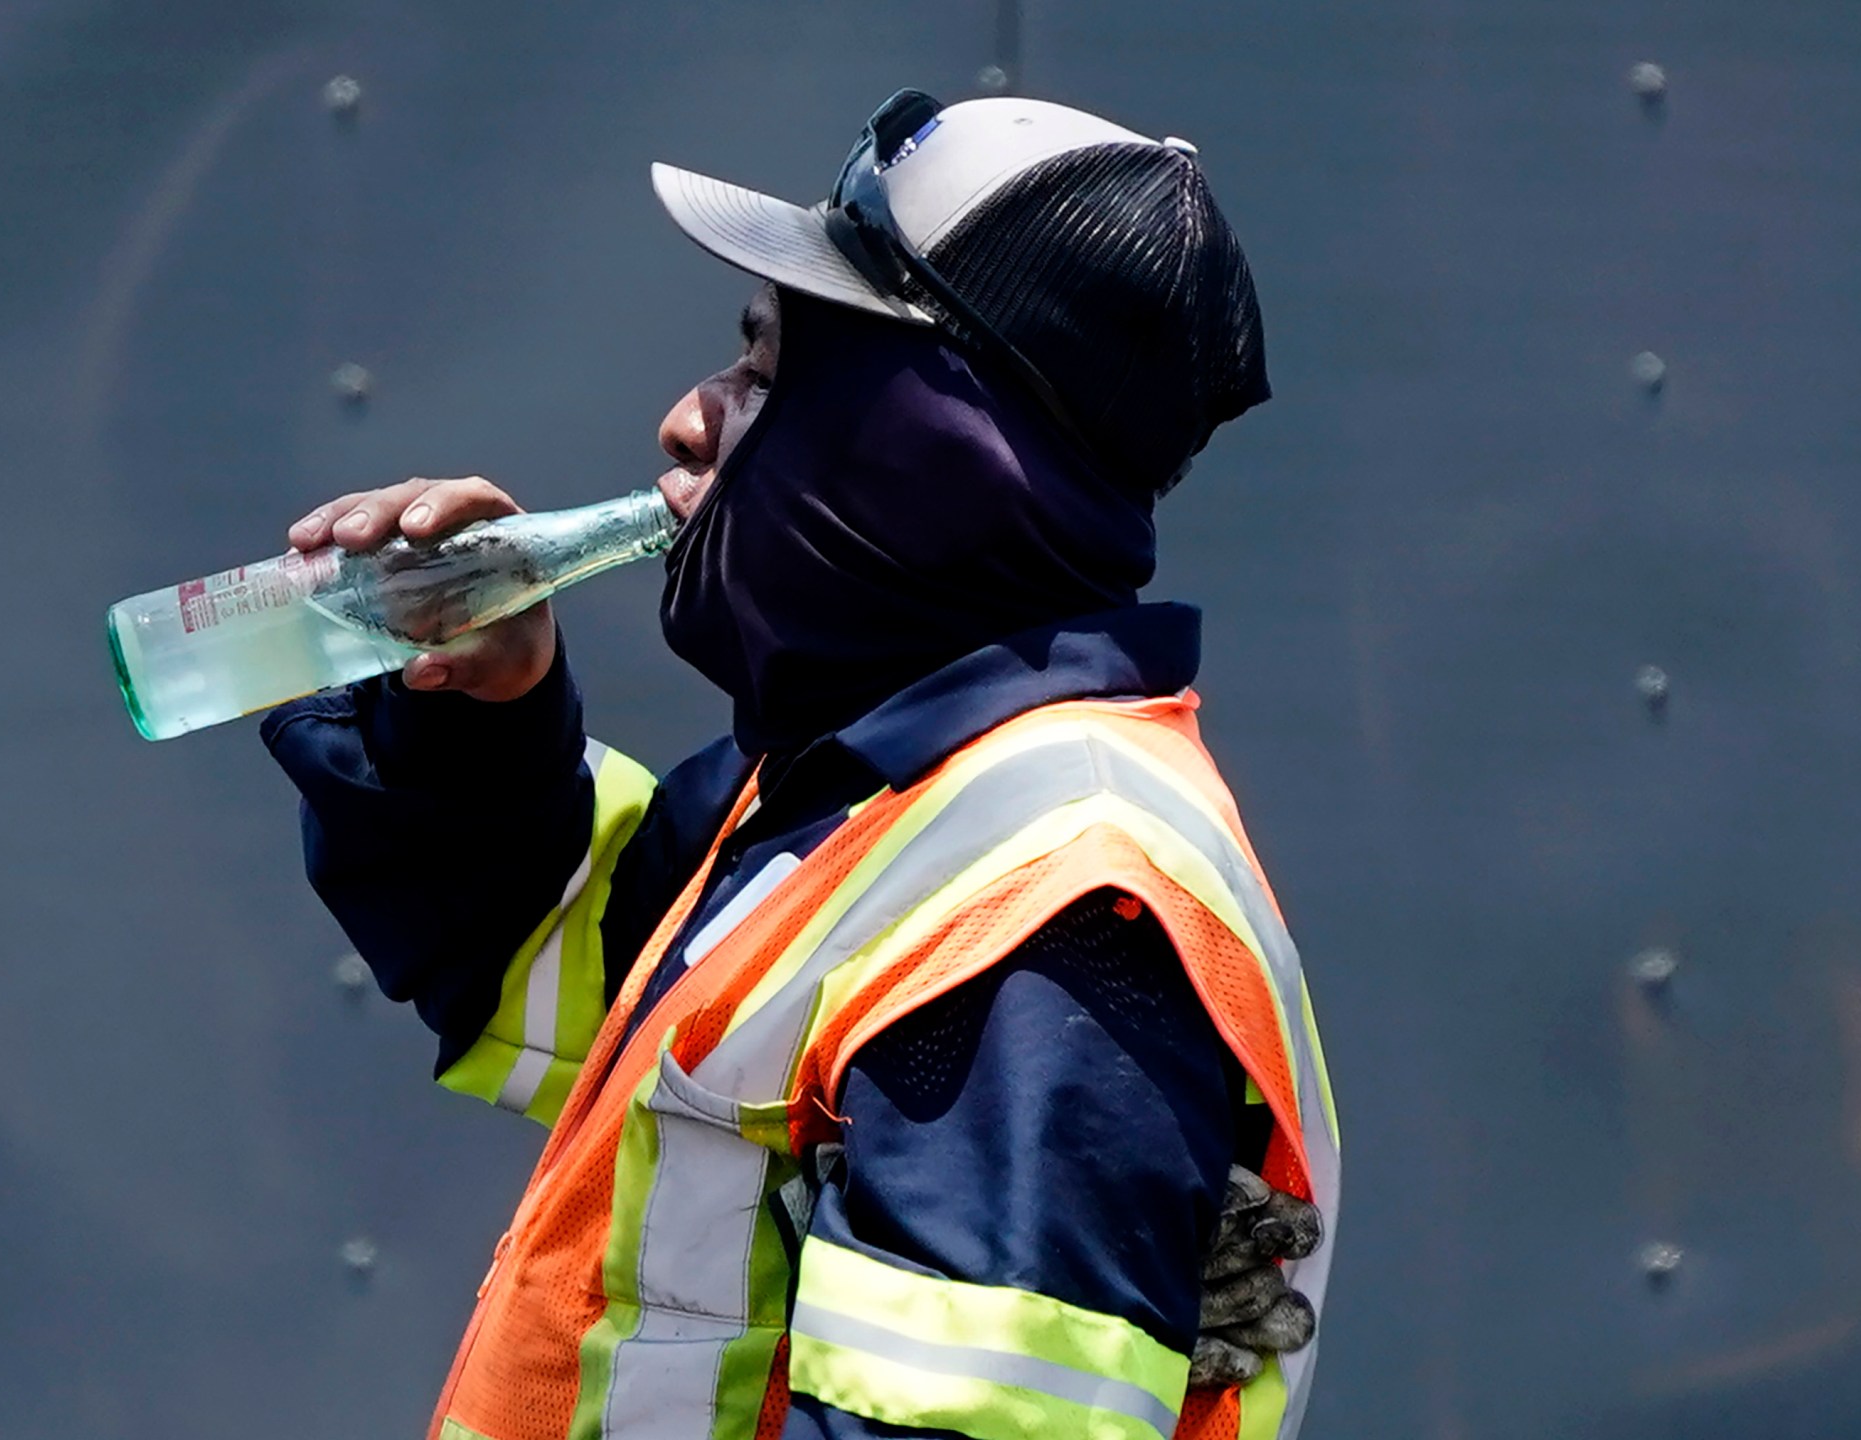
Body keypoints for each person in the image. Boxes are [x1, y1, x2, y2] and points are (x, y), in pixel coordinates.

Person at [262, 89, 1340, 1440]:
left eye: (768, 370)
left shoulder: (1049, 920)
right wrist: (484, 712)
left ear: (915, 448)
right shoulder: (880, 798)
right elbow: (584, 984)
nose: (685, 418)